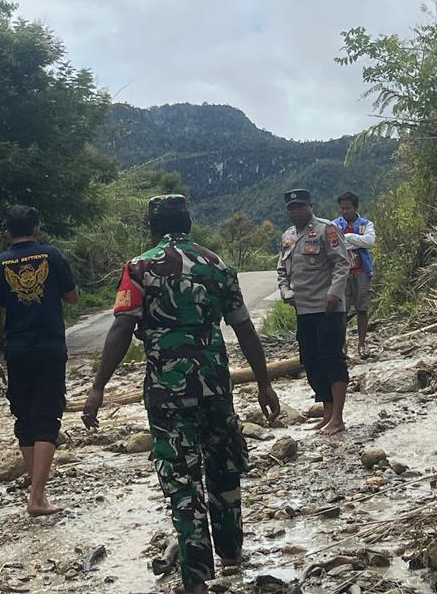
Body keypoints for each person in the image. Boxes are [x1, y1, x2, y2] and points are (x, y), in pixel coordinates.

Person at [82, 194, 280, 594]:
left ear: (152, 226)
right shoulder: (216, 265)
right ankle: (230, 555)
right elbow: (243, 327)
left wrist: (98, 387)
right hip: (215, 385)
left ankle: (197, 579)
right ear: (189, 222)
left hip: (167, 392)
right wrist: (263, 382)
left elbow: (122, 329)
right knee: (224, 467)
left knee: (182, 479)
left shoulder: (139, 268)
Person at [0, 204, 80, 517]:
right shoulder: (52, 256)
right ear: (36, 229)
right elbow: (73, 297)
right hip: (49, 347)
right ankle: (37, 497)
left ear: (7, 232)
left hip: (17, 350)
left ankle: (37, 492)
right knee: (48, 417)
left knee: (24, 418)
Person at [277, 188, 351, 435]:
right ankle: (327, 412)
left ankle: (338, 418)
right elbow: (281, 271)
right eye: (291, 208)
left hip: (328, 307)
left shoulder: (326, 229)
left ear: (310, 206)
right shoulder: (288, 236)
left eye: (300, 206)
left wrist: (335, 293)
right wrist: (286, 292)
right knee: (311, 360)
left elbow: (342, 262)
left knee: (332, 358)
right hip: (303, 309)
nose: (295, 211)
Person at [334, 191, 376, 358]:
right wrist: (357, 241)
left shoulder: (366, 224)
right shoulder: (335, 224)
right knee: (341, 311)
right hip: (341, 274)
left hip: (362, 272)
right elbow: (335, 245)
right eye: (342, 209)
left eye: (348, 208)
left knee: (362, 309)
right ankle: (342, 346)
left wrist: (349, 238)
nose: (344, 211)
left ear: (355, 208)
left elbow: (370, 241)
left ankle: (362, 343)